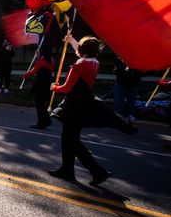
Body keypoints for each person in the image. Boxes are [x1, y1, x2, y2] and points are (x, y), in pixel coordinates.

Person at [49, 36, 137, 185]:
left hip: (74, 105)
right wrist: (71, 40)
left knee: (71, 140)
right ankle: (68, 169)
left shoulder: (79, 65)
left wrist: (54, 87)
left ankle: (96, 171)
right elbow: (82, 50)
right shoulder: (94, 62)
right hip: (84, 102)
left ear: (82, 50)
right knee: (69, 139)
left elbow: (67, 88)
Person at [22, 46, 54, 129]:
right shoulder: (51, 60)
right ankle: (45, 121)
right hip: (48, 83)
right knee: (42, 104)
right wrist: (38, 56)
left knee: (40, 104)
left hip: (40, 83)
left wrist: (25, 75)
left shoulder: (41, 61)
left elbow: (34, 70)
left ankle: (42, 123)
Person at [113, 57, 142, 122]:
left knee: (131, 101)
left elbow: (142, 70)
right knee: (119, 100)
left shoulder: (138, 58)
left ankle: (129, 114)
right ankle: (118, 114)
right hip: (121, 82)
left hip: (134, 82)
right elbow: (117, 70)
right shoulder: (119, 58)